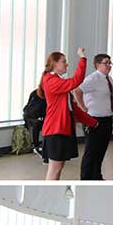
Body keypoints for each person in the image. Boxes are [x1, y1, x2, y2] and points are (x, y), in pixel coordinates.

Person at [38, 48, 99, 180]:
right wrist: (82, 58)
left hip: (63, 130)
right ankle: (50, 196)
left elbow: (73, 109)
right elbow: (75, 81)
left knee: (59, 167)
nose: (66, 64)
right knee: (54, 168)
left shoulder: (58, 83)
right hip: (55, 130)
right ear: (54, 64)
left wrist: (92, 122)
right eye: (63, 61)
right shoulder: (50, 81)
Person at [73, 53, 113, 180]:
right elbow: (77, 91)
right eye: (105, 63)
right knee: (91, 152)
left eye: (109, 63)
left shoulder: (109, 79)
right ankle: (85, 179)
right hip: (94, 120)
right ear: (97, 65)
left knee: (101, 151)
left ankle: (96, 176)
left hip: (107, 119)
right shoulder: (93, 79)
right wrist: (83, 108)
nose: (108, 65)